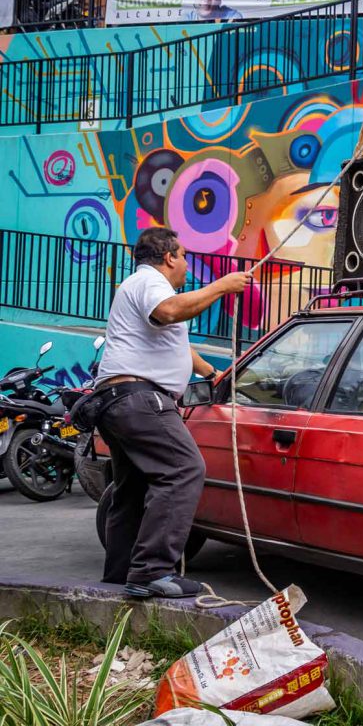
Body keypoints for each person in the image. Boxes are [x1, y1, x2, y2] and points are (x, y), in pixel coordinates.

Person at [94, 227, 250, 598]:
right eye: (183, 257)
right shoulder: (151, 284)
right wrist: (222, 287)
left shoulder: (138, 287)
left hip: (119, 401)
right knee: (185, 470)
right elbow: (167, 313)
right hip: (141, 400)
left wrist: (211, 373)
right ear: (169, 257)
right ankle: (150, 573)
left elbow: (171, 338)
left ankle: (120, 577)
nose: (185, 265)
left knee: (132, 489)